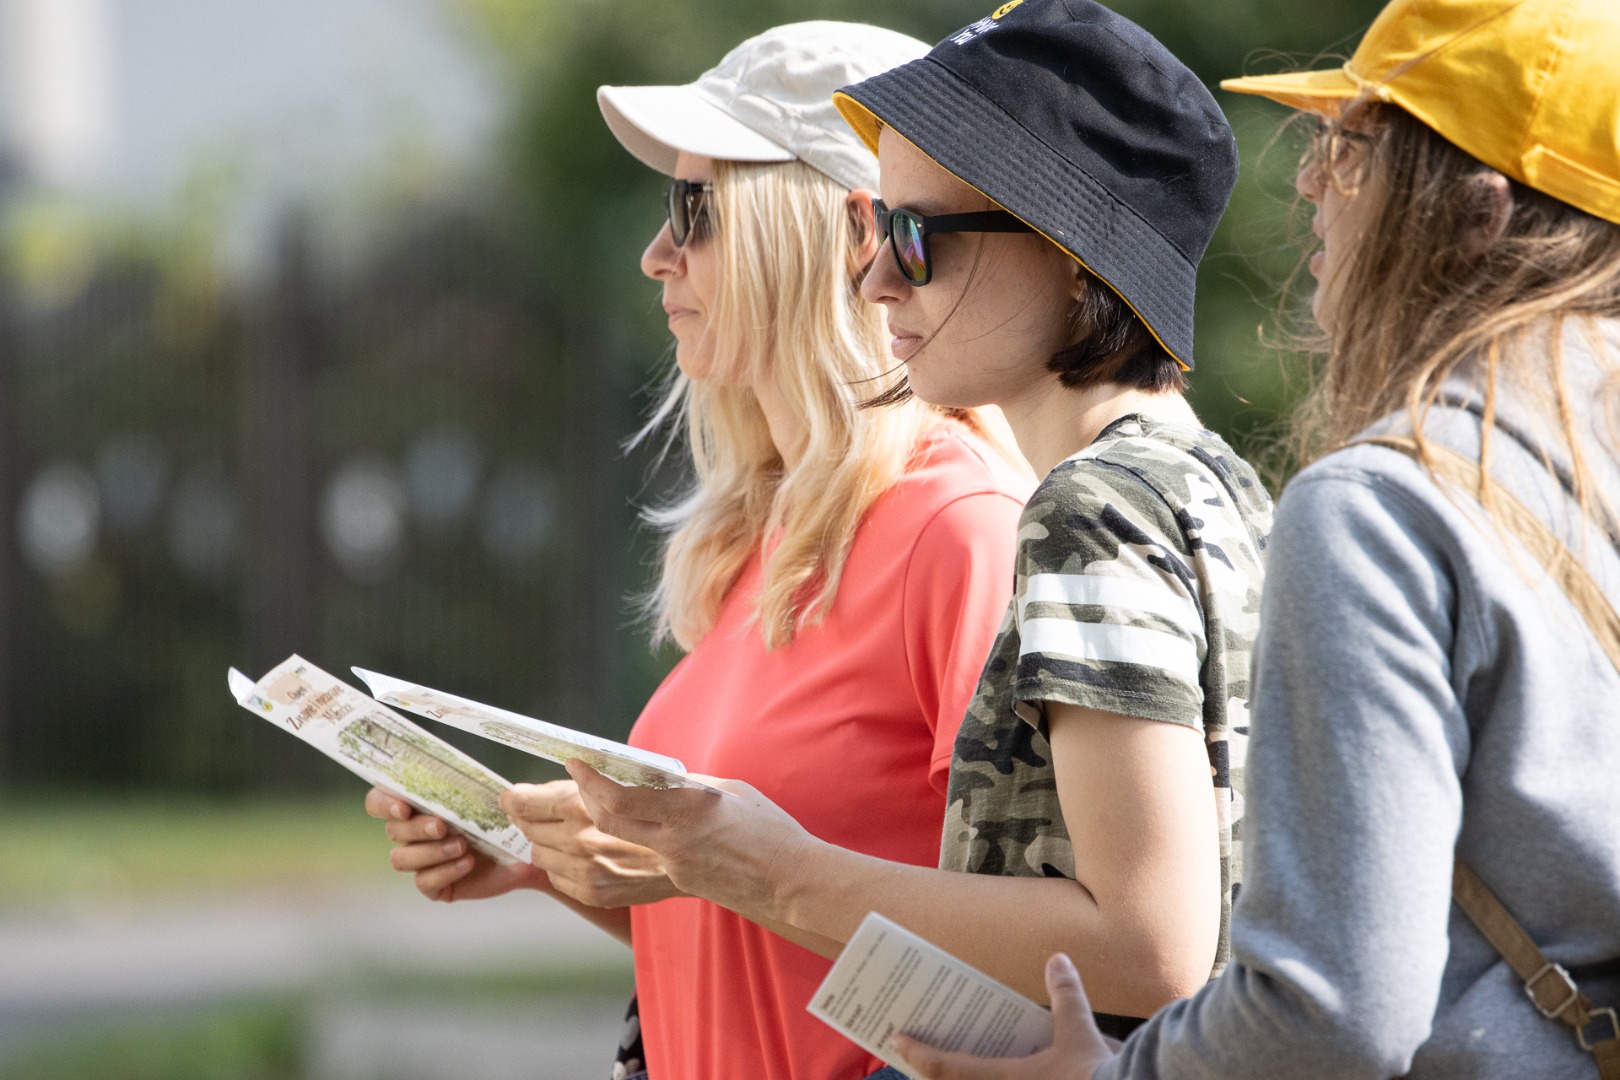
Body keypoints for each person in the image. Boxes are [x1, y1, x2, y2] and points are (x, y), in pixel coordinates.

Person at [884, 0, 1620, 1077]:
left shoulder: (1388, 508)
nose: (1311, 182)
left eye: (1351, 145)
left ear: (1476, 210)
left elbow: (1329, 1008)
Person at [565, 0, 1274, 1061]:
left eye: (916, 237)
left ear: (1076, 253)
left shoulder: (1091, 506)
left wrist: (782, 869)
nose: (873, 277)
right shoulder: (1216, 483)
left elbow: (1151, 943)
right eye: (869, 231)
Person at [365, 21, 1036, 1080]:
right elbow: (753, 948)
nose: (656, 256)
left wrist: (736, 874)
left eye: (695, 212)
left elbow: (1033, 978)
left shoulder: (963, 527)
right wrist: (545, 866)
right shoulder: (763, 532)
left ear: (831, 230)